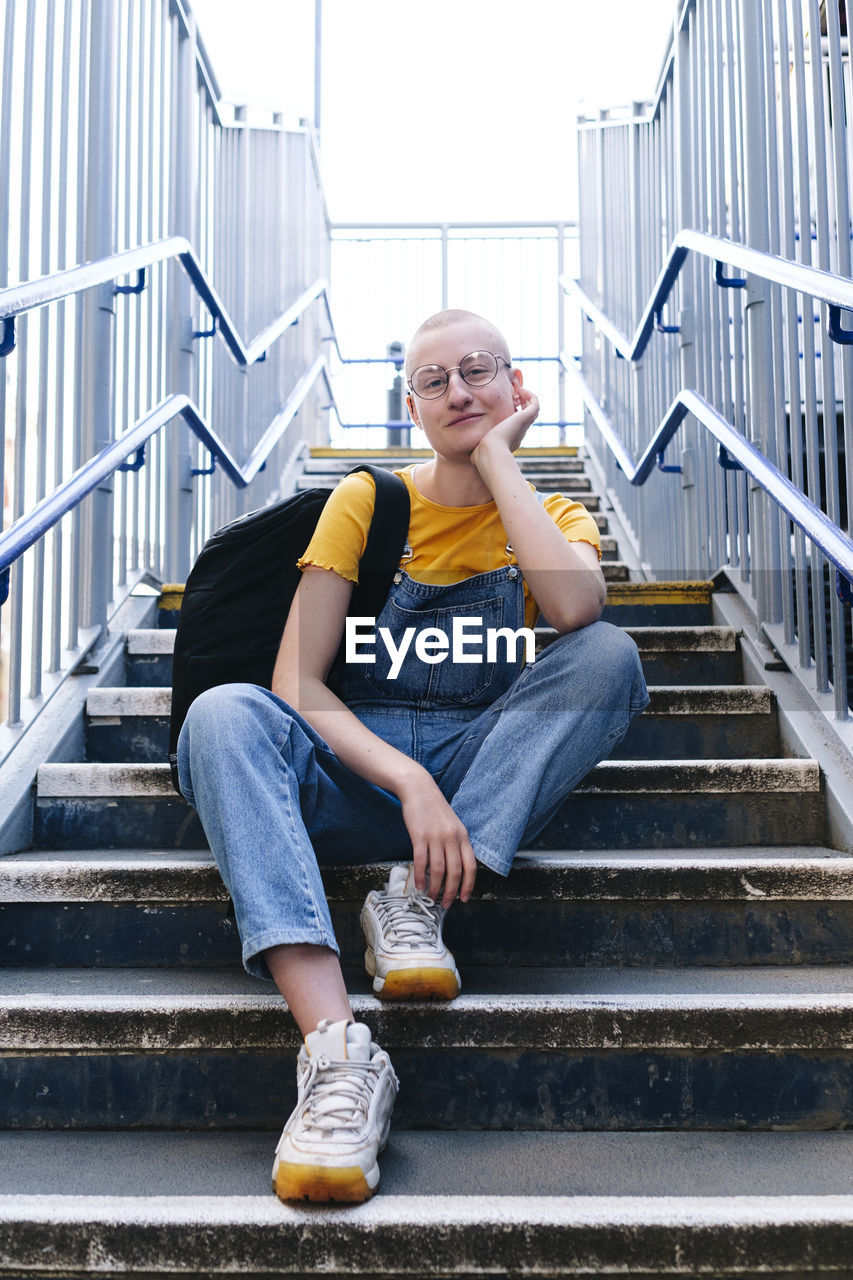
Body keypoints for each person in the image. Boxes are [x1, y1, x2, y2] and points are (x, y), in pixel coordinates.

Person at [177, 308, 649, 1206]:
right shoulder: (367, 501)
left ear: (517, 387)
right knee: (222, 714)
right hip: (352, 767)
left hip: (480, 780)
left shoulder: (553, 515)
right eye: (433, 381)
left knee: (608, 659)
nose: (458, 392)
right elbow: (296, 684)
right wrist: (408, 779)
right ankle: (337, 1056)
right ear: (411, 406)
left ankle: (415, 898)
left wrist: (501, 462)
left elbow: (577, 617)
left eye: (477, 372)